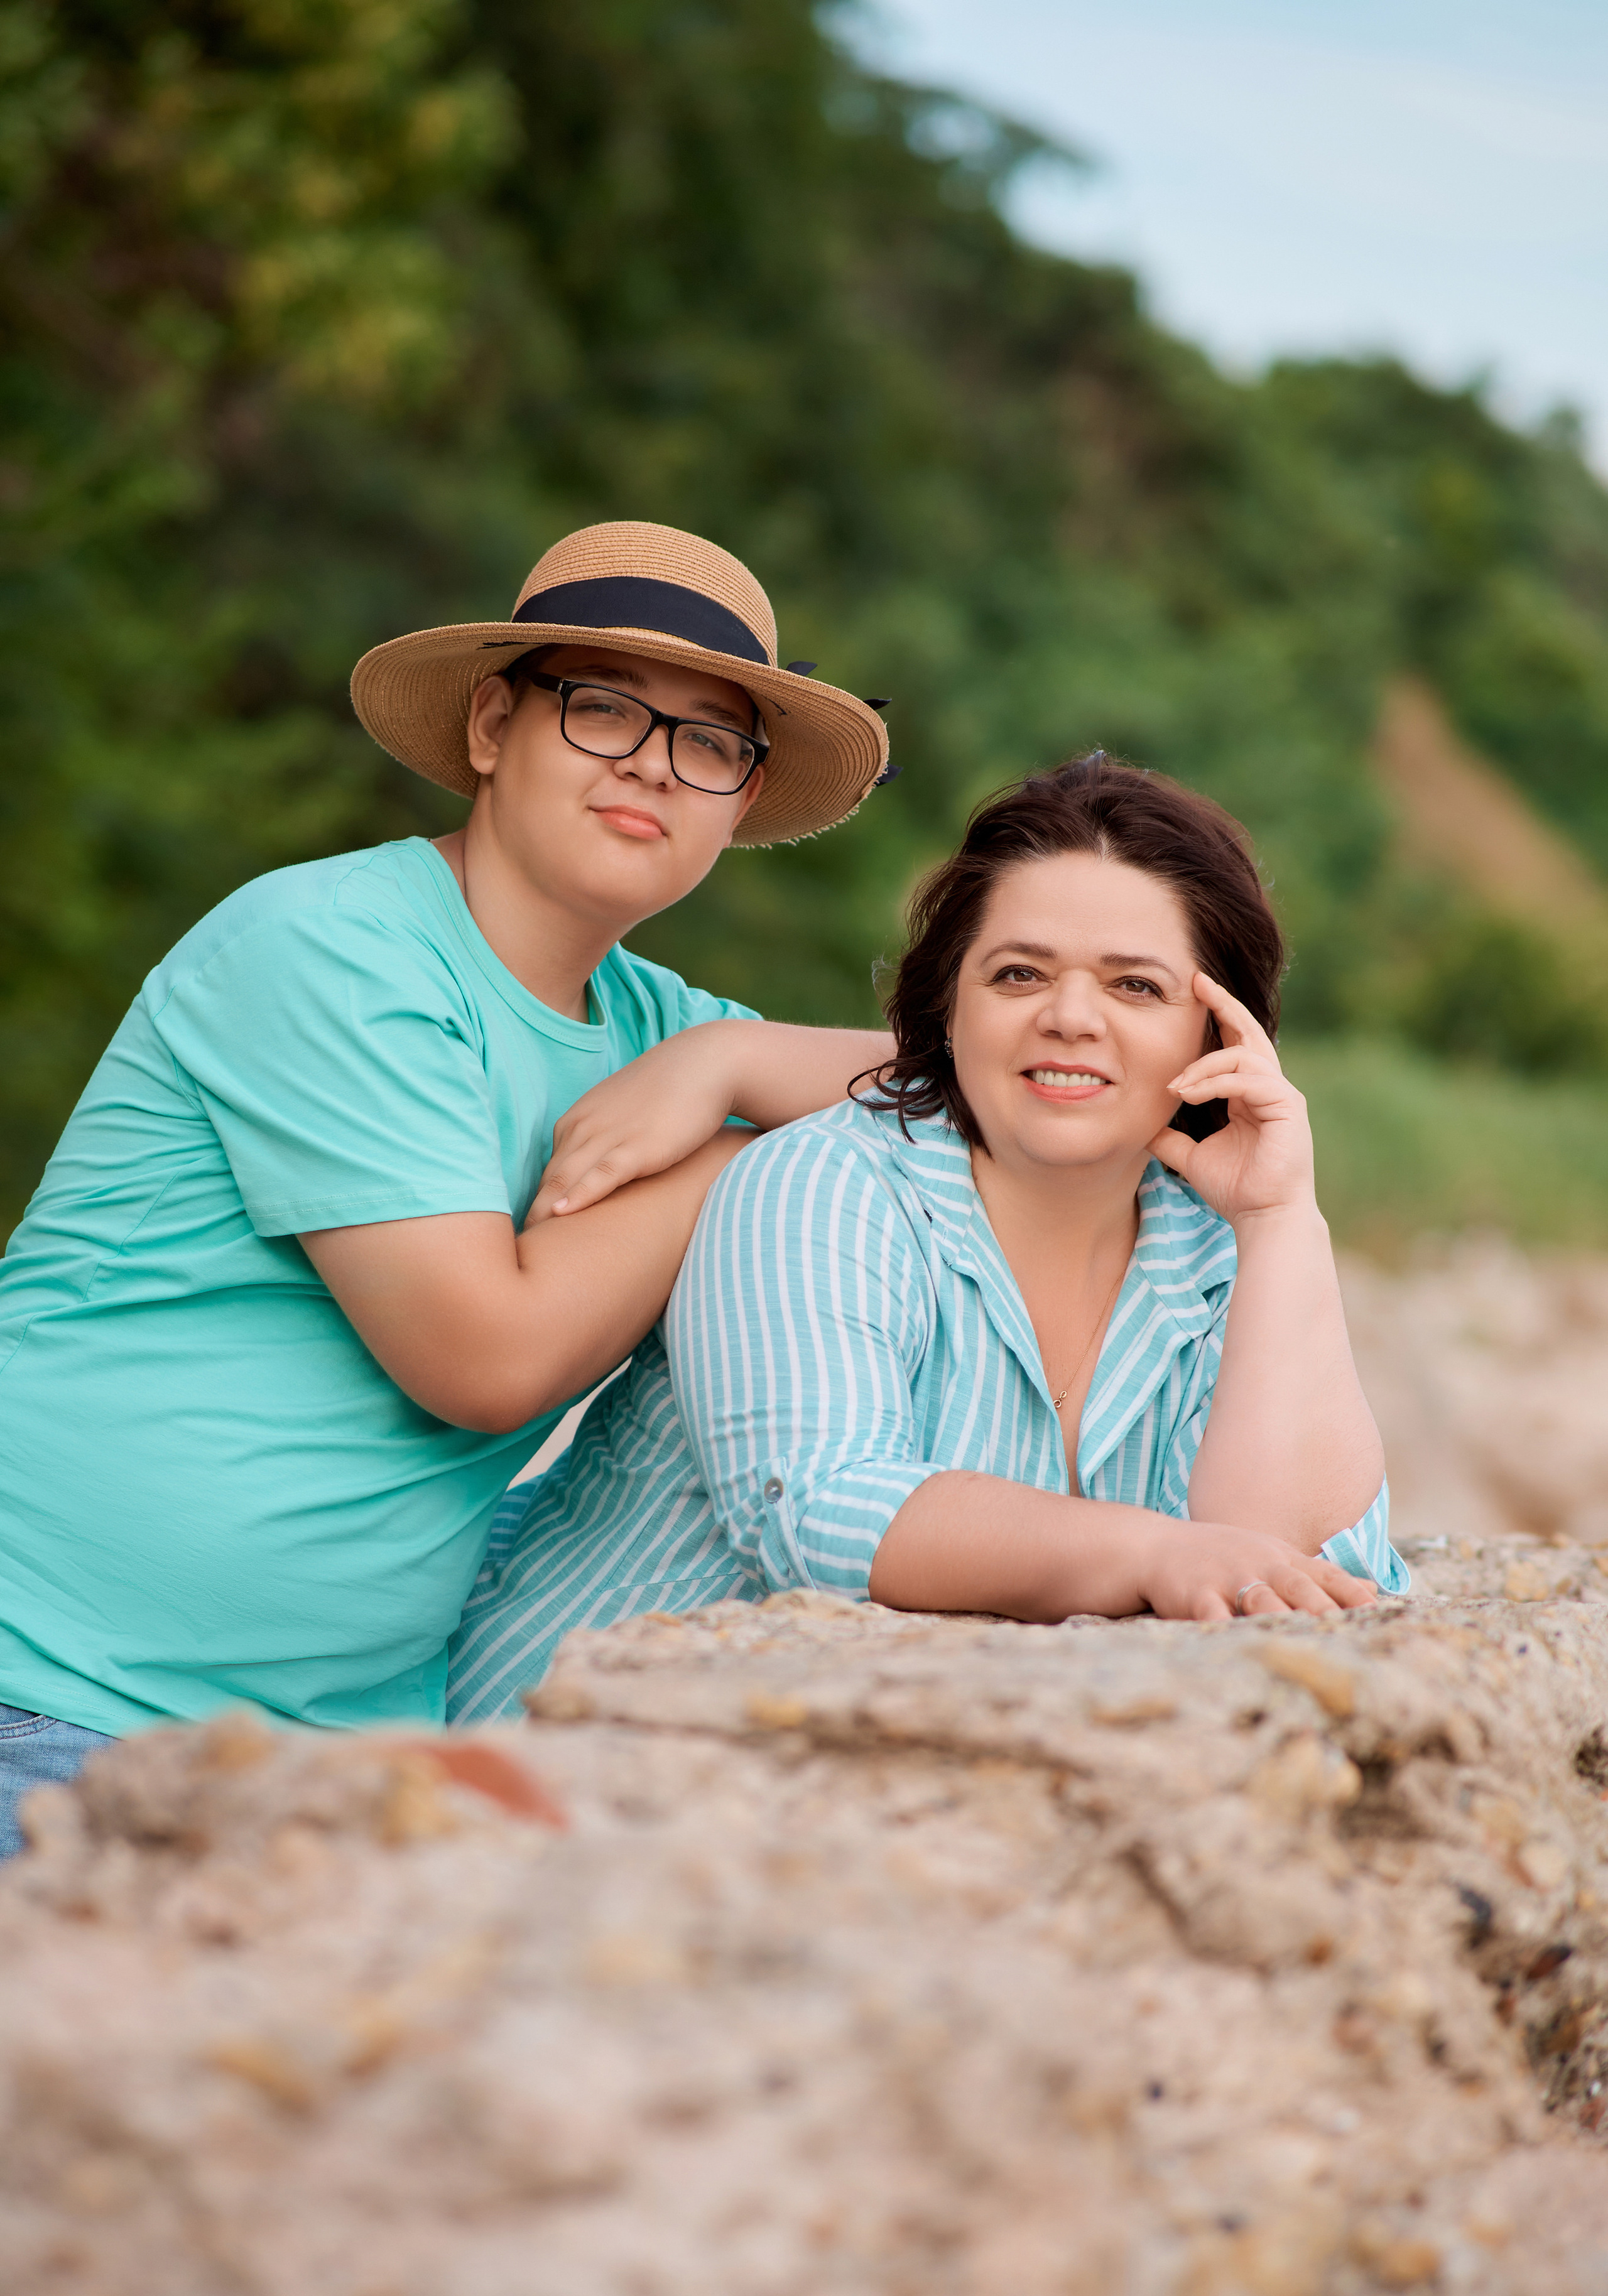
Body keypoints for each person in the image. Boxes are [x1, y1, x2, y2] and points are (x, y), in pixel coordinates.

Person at [0, 520, 897, 1851]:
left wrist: (735, 1053)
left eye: (709, 740)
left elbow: (993, 1088)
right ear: (491, 726)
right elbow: (482, 1358)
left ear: (741, 800)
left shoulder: (667, 1033)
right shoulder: (331, 950)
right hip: (47, 1695)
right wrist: (728, 1140)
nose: (652, 764)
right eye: (602, 709)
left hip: (337, 1750)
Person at [448, 755, 1405, 1719]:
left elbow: (1277, 1571)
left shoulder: (1211, 1248)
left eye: (1136, 988)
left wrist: (1283, 1219)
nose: (1070, 1018)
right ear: (951, 1010)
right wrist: (1152, 1550)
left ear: (1217, 1041)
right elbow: (822, 1508)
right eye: (1019, 974)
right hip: (555, 1760)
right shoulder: (822, 1183)